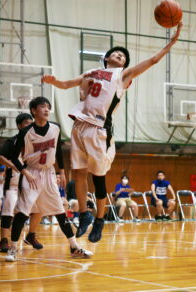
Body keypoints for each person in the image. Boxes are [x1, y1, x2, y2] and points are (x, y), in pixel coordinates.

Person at [42, 22, 182, 243]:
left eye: (123, 56)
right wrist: (55, 82)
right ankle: (84, 215)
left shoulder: (122, 76)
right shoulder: (92, 72)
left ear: (124, 64)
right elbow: (67, 84)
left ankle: (99, 220)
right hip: (79, 126)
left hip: (99, 129)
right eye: (115, 53)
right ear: (106, 57)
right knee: (78, 173)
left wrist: (172, 42)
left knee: (98, 179)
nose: (119, 55)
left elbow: (153, 61)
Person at [5, 97, 92, 262]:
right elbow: (13, 157)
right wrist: (25, 172)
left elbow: (58, 151)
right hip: (32, 173)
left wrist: (62, 172)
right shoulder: (25, 132)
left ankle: (74, 247)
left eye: (48, 107)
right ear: (33, 110)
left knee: (60, 211)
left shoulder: (56, 128)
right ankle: (13, 248)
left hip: (50, 173)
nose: (46, 109)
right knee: (22, 212)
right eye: (42, 106)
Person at [0, 113, 43, 252]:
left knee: (39, 209)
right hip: (13, 183)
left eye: (31, 123)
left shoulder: (36, 141)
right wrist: (12, 165)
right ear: (19, 126)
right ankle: (4, 240)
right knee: (8, 212)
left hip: (31, 184)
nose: (29, 125)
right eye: (26, 123)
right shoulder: (13, 141)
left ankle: (31, 235)